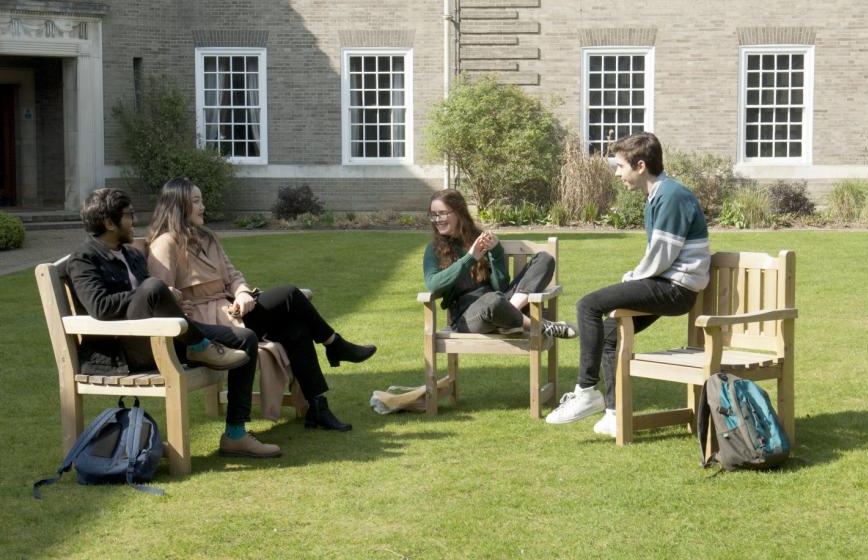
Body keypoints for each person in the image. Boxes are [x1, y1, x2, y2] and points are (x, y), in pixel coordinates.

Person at [145, 178, 376, 433]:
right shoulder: (165, 243)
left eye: (202, 200)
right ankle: (335, 344)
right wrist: (180, 306)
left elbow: (232, 275)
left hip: (233, 309)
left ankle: (318, 407)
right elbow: (160, 297)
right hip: (209, 328)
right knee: (290, 294)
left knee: (297, 328)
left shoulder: (208, 237)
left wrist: (243, 292)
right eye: (196, 201)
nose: (203, 206)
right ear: (178, 205)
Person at [67, 188, 280, 458]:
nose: (134, 220)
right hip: (123, 351)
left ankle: (235, 434)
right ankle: (199, 344)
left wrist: (174, 301)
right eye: (129, 215)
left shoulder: (131, 254)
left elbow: (153, 298)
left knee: (246, 338)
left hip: (165, 337)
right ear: (109, 223)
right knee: (155, 286)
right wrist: (156, 293)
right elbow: (100, 306)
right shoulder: (84, 259)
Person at [545, 132, 711, 436]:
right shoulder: (658, 195)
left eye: (620, 166)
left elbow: (662, 254)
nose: (617, 173)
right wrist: (635, 275)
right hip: (668, 284)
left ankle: (585, 392)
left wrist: (633, 277)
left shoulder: (672, 196)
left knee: (588, 304)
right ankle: (613, 412)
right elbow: (659, 255)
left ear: (640, 165)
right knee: (609, 333)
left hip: (676, 289)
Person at [423, 188, 577, 338]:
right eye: (433, 215)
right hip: (469, 317)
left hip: (502, 302)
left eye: (442, 213)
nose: (437, 220)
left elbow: (501, 287)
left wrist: (496, 251)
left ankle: (508, 315)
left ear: (459, 212)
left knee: (544, 259)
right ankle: (540, 326)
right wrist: (470, 258)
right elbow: (433, 285)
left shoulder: (480, 240)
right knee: (493, 300)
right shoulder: (434, 249)